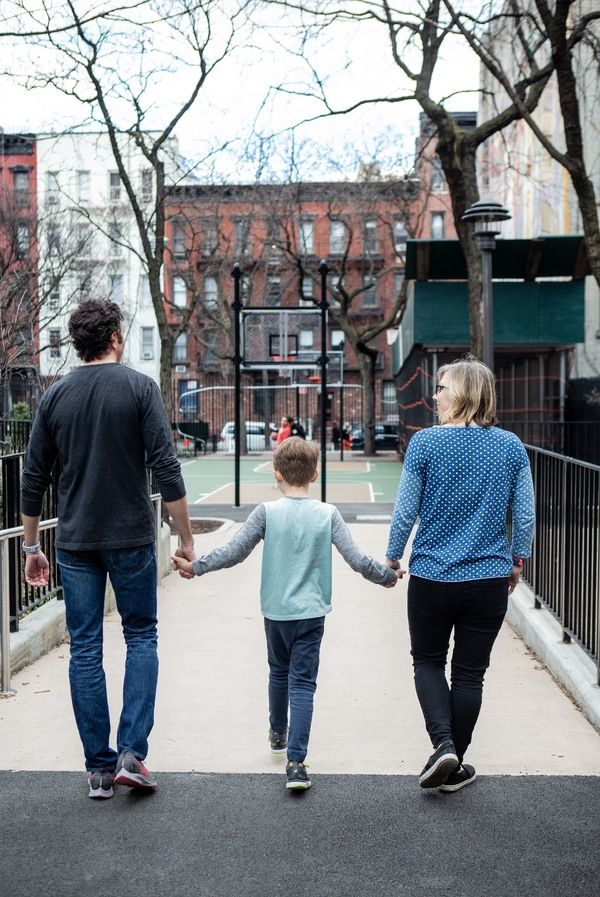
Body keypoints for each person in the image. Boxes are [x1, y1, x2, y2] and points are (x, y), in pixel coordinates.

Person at [20, 299, 196, 800]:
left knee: (86, 647)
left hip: (76, 542)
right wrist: (183, 537)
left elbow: (33, 478)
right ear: (116, 337)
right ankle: (131, 755)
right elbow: (167, 468)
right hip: (132, 538)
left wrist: (32, 544)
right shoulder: (139, 389)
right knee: (141, 637)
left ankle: (98, 769)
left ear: (78, 343)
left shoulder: (56, 397)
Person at [172, 436, 398, 791]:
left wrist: (197, 567)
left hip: (276, 612)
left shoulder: (266, 513)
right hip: (311, 613)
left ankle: (277, 733)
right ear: (315, 474)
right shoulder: (328, 514)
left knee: (278, 671)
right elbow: (356, 559)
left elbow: (235, 551)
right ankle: (296, 761)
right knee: (303, 683)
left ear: (276, 473)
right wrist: (385, 576)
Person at [386, 356, 535, 793]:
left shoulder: (425, 444)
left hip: (432, 575)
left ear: (464, 394)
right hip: (488, 579)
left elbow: (406, 510)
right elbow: (524, 514)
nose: (435, 395)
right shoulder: (510, 446)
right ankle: (455, 762)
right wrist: (517, 559)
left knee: (427, 662)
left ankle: (443, 745)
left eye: (442, 388)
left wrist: (393, 557)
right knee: (470, 673)